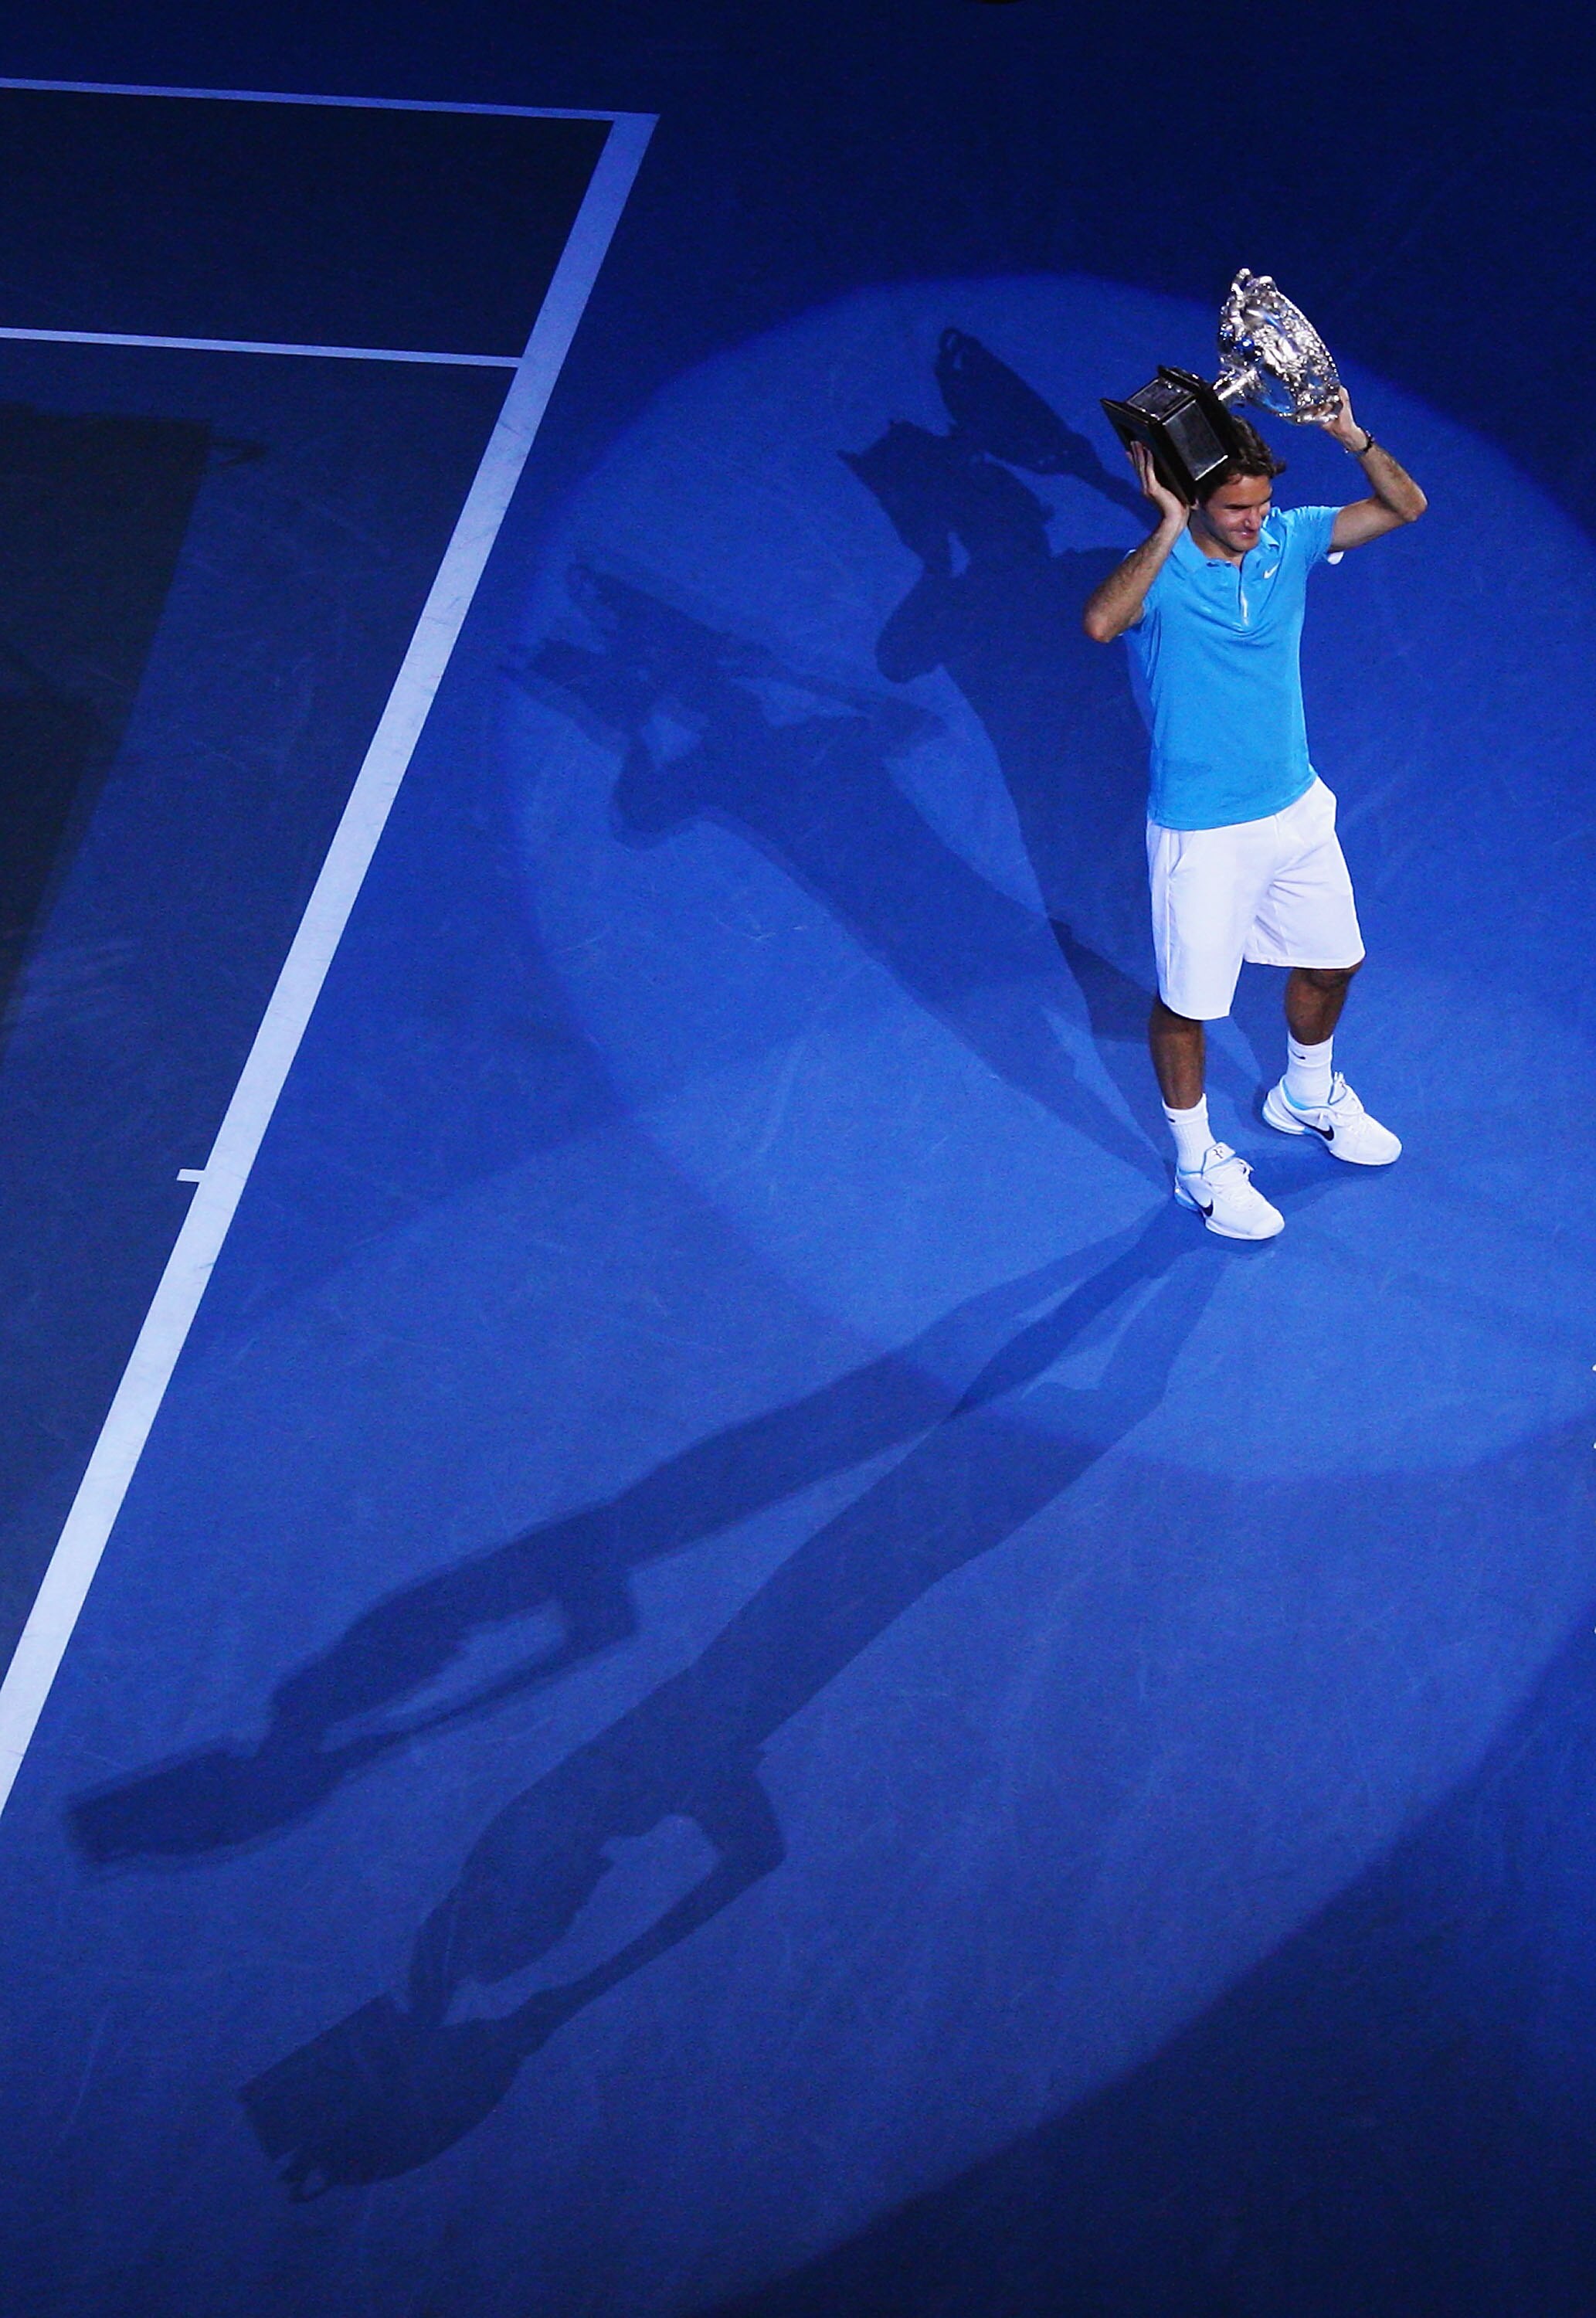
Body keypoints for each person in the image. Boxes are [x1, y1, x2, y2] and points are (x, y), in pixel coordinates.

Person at [1082, 394, 1426, 1239]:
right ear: (1194, 498)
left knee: (1335, 962)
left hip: (1296, 808)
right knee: (1189, 1007)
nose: (1253, 521)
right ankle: (1196, 1164)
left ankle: (1305, 1093)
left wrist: (1349, 434)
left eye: (1262, 503)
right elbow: (1100, 622)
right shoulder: (1157, 572)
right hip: (1202, 832)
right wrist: (1165, 522)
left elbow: (1403, 506)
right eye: (1236, 508)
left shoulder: (1291, 538)